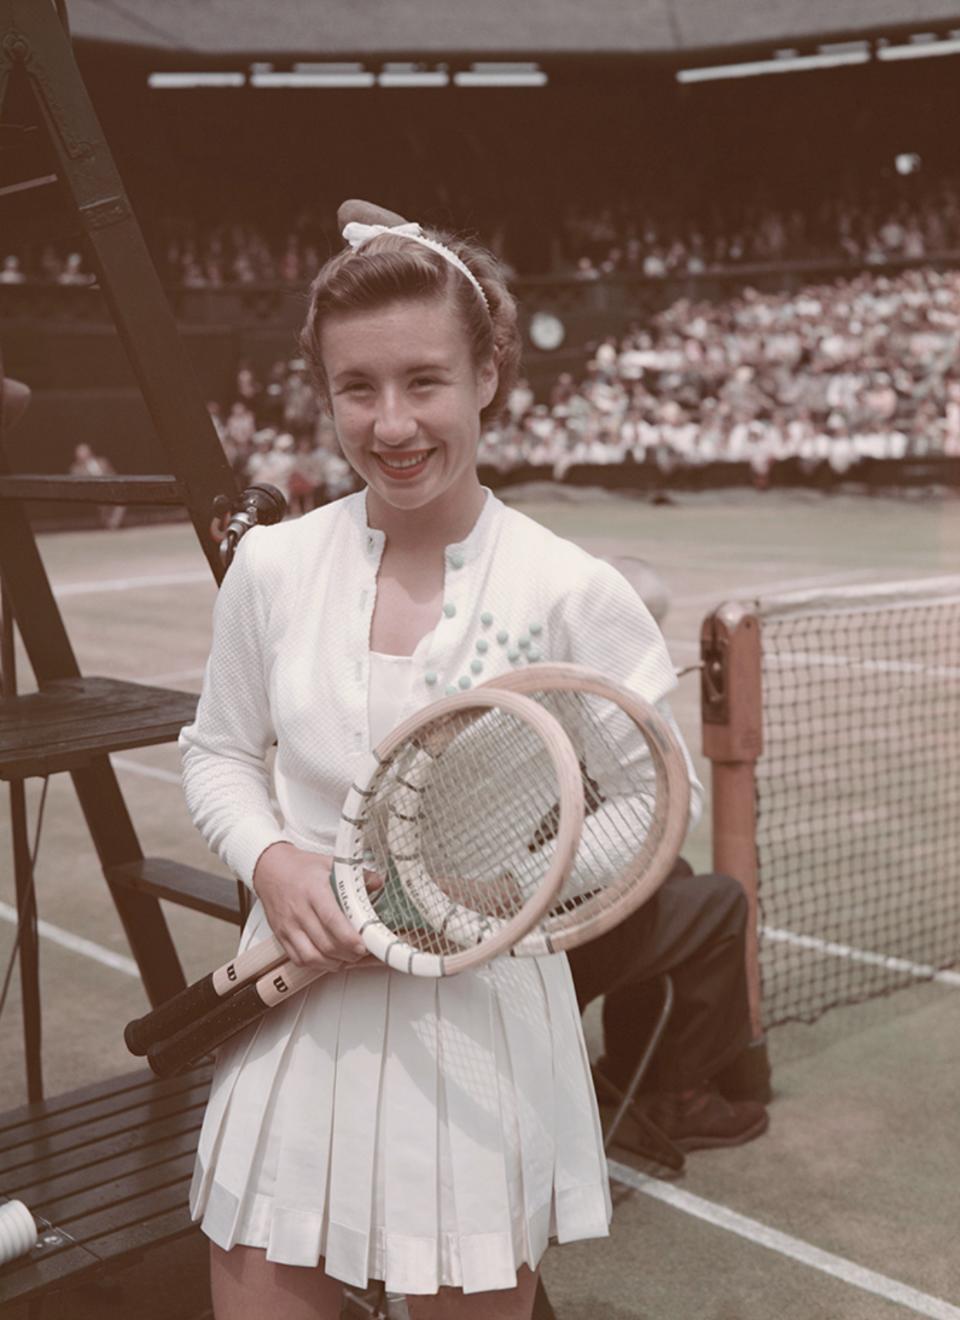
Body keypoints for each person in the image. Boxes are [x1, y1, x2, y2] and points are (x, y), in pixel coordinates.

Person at [179, 198, 702, 1320]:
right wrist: (274, 861)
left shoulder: (568, 587)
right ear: (323, 392)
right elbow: (218, 752)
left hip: (478, 1044)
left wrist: (491, 895)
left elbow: (659, 798)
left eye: (425, 381)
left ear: (489, 376)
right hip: (293, 1017)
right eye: (356, 389)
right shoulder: (271, 569)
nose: (392, 422)